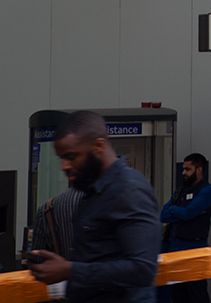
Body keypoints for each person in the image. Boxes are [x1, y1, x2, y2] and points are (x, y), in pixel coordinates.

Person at [25, 110, 161, 303]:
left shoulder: (129, 190)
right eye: (61, 158)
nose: (64, 166)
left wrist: (70, 270)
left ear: (98, 146)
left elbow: (142, 269)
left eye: (71, 157)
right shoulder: (93, 190)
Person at [159, 154, 211, 303]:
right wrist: (179, 212)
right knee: (178, 296)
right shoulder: (180, 191)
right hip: (175, 250)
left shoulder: (207, 191)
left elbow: (188, 213)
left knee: (197, 295)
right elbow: (163, 215)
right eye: (183, 169)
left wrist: (175, 210)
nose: (183, 172)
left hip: (195, 250)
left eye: (187, 169)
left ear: (199, 169)